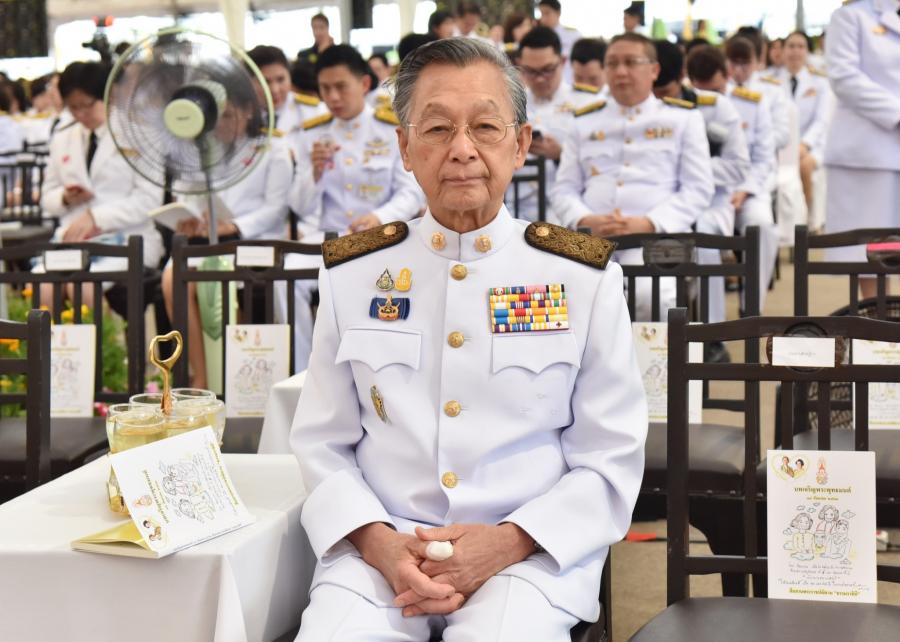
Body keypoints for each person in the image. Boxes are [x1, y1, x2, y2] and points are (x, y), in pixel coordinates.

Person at [290, 36, 647, 641]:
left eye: (484, 126)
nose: (462, 150)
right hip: (382, 552)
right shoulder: (354, 275)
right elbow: (322, 442)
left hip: (529, 556)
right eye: (436, 129)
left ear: (521, 143)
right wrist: (379, 543)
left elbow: (609, 456)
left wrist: (507, 542)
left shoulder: (581, 278)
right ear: (405, 148)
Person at [552, 33, 713, 321]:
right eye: (612, 63)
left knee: (652, 298)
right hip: (591, 237)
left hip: (655, 238)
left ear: (654, 70)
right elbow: (564, 188)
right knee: (565, 297)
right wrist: (584, 219)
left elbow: (698, 188)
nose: (620, 71)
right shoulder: (583, 120)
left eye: (631, 62)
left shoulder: (683, 119)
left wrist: (650, 223)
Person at [283, 44, 424, 372]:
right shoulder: (313, 133)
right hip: (329, 237)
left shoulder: (388, 129)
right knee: (286, 275)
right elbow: (299, 205)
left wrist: (380, 217)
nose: (332, 97)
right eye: (325, 88)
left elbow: (411, 193)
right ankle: (303, 370)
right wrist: (315, 173)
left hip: (381, 235)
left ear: (363, 84)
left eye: (340, 87)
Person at [160, 83, 293, 388]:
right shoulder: (200, 149)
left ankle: (238, 376)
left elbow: (275, 209)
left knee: (228, 282)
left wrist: (234, 226)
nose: (220, 124)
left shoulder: (272, 148)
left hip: (253, 240)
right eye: (215, 117)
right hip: (207, 239)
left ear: (248, 111)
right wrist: (189, 219)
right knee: (172, 279)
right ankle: (201, 373)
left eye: (228, 116)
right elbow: (186, 192)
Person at [39, 61, 163, 308]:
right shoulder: (63, 137)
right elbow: (47, 198)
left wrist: (96, 218)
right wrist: (65, 198)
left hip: (127, 239)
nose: (81, 114)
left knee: (83, 288)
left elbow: (149, 201)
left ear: (109, 96)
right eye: (73, 107)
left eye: (87, 105)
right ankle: (53, 337)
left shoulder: (139, 134)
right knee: (43, 289)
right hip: (74, 242)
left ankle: (107, 334)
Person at [655, 42, 748, 362]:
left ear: (681, 77)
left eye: (665, 91)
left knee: (704, 240)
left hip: (710, 202)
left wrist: (690, 166)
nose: (659, 99)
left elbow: (738, 166)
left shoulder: (715, 107)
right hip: (658, 202)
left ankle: (712, 335)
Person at [824, 0, 900, 299]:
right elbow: (844, 77)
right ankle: (876, 323)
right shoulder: (850, 17)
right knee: (873, 254)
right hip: (867, 153)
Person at [509, 26, 600, 221]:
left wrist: (560, 155)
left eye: (548, 70)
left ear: (563, 62)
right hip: (516, 207)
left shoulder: (588, 103)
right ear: (519, 65)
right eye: (531, 71)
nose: (540, 78)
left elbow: (601, 165)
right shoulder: (510, 103)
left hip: (567, 212)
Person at [721, 36, 781, 313]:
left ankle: (751, 308)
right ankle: (707, 320)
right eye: (734, 63)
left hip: (750, 187)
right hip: (715, 189)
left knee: (763, 228)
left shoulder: (760, 100)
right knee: (703, 238)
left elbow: (764, 156)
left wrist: (744, 190)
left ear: (756, 63)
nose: (739, 70)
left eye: (745, 64)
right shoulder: (711, 95)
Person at [777, 31, 832, 217]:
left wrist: (804, 145)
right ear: (783, 50)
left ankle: (805, 219)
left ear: (807, 51)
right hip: (782, 144)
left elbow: (822, 121)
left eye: (801, 47)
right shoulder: (772, 81)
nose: (795, 51)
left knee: (804, 165)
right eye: (791, 46)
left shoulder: (820, 82)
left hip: (813, 144)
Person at [246, 45, 327, 152]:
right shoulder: (241, 117)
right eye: (265, 82)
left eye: (281, 79)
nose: (275, 90)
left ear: (290, 76)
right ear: (249, 82)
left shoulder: (316, 112)